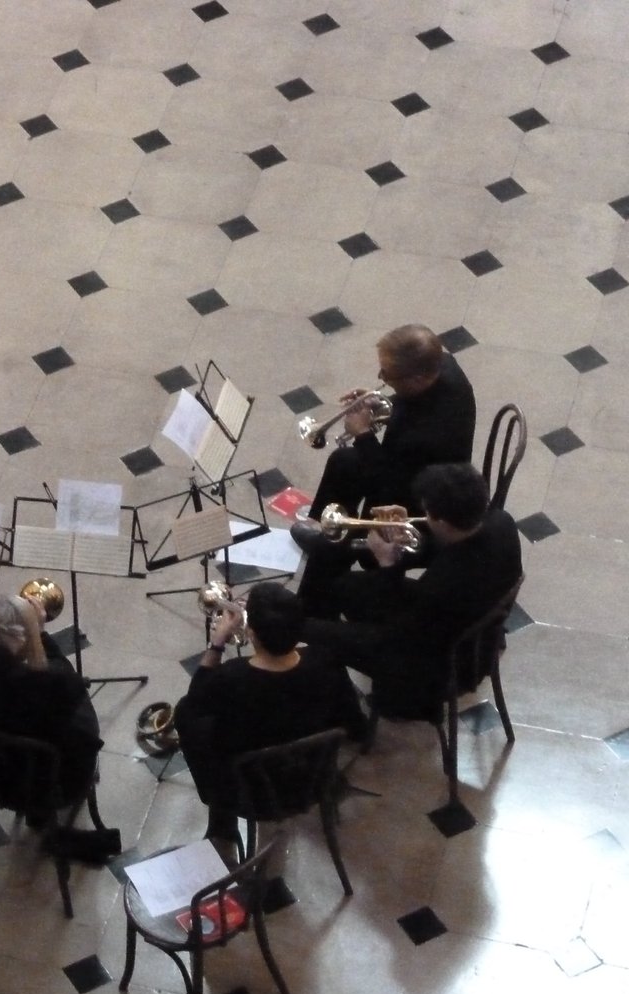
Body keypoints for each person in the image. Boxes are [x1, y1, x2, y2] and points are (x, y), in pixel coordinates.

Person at [301, 463, 522, 718]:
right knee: (346, 586)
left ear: (443, 523)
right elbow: (448, 547)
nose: (424, 516)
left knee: (313, 631)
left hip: (431, 662)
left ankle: (341, 703)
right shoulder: (501, 522)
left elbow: (398, 632)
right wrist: (408, 527)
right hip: (466, 625)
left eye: (428, 514)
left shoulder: (442, 583)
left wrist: (386, 562)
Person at [293, 325, 476, 607]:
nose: (382, 378)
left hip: (419, 505)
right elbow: (410, 405)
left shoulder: (431, 435)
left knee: (342, 537)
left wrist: (363, 434)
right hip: (410, 469)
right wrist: (380, 401)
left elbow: (389, 483)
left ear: (416, 378)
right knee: (343, 461)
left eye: (387, 375)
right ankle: (326, 529)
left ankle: (322, 588)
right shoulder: (442, 364)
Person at [173, 583, 367, 840]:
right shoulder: (326, 660)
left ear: (251, 633)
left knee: (184, 713)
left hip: (253, 794)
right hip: (315, 779)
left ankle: (219, 810)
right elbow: (353, 721)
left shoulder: (232, 677)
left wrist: (217, 643)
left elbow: (195, 702)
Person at [0, 592, 118, 861]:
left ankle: (37, 815)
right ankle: (44, 813)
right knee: (81, 715)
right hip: (59, 784)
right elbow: (70, 695)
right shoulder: (55, 685)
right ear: (24, 638)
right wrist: (39, 634)